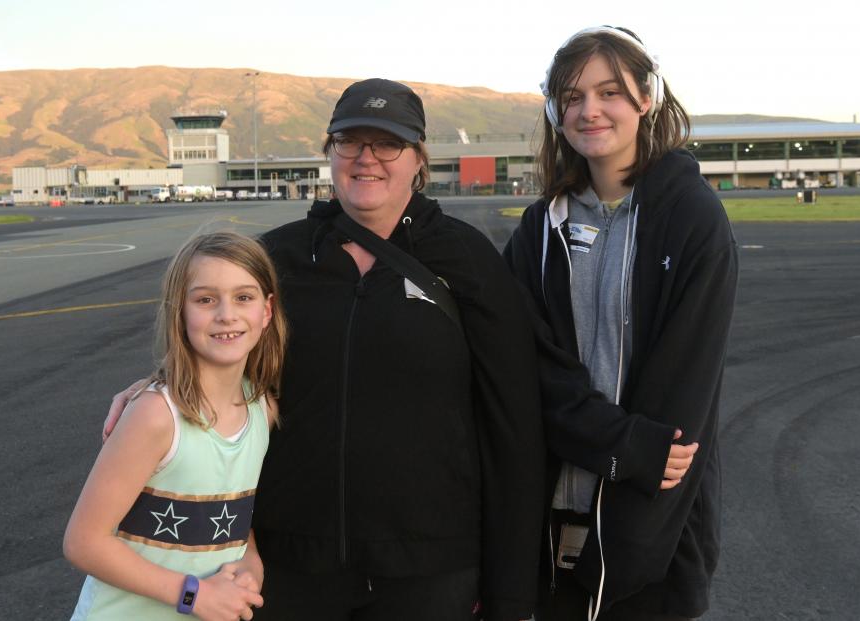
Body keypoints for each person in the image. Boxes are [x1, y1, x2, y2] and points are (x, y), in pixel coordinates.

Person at [106, 78, 546, 621]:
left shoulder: (469, 261)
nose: (367, 159)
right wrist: (159, 383)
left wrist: (513, 593)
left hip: (430, 569)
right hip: (288, 566)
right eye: (350, 142)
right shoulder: (278, 257)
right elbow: (220, 348)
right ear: (330, 153)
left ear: (417, 160)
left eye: (387, 144)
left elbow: (514, 422)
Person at [503, 27, 738, 621]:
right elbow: (529, 373)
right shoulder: (539, 231)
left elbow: (678, 408)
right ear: (555, 110)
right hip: (553, 525)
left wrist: (620, 552)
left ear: (646, 97)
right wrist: (625, 445)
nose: (590, 110)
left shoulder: (692, 217)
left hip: (654, 537)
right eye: (573, 96)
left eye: (609, 92)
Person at [66, 231, 288, 620]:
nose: (226, 314)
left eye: (243, 297)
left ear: (266, 312)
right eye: (205, 300)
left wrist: (252, 561)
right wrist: (193, 595)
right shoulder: (156, 415)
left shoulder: (261, 410)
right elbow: (84, 542)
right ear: (179, 311)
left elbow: (234, 515)